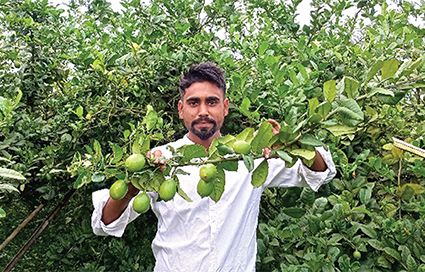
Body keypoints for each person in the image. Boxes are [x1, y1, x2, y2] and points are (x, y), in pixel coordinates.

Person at [91, 62, 336, 271]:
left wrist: (293, 143)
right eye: (194, 103)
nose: (203, 111)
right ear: (181, 109)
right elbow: (105, 222)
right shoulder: (161, 161)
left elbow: (320, 172)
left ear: (225, 107)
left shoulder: (252, 155)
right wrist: (135, 184)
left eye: (212, 102)